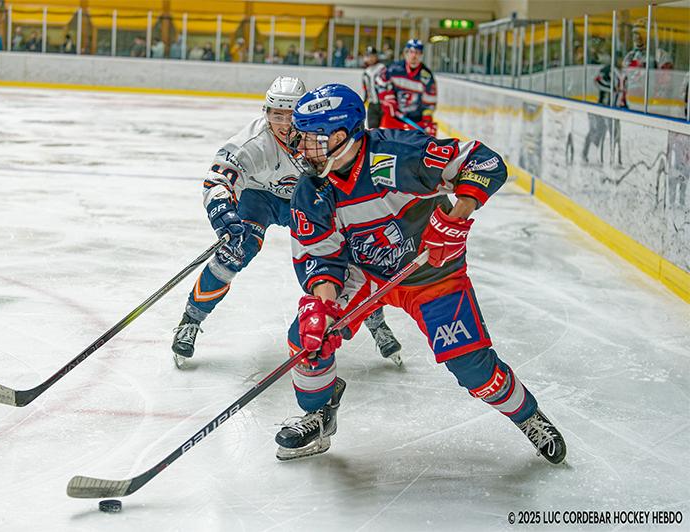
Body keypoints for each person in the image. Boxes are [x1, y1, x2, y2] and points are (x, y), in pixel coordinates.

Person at [273, 83, 567, 467]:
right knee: (308, 338)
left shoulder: (399, 154)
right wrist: (323, 307)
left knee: (472, 367)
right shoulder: (311, 191)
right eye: (300, 138)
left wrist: (456, 218)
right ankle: (318, 413)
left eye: (312, 139)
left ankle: (528, 416)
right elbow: (321, 257)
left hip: (432, 273)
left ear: (341, 137)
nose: (301, 149)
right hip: (367, 275)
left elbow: (483, 162)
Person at [171, 77, 402, 368]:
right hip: (260, 197)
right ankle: (191, 319)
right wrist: (222, 208)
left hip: (309, 198)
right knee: (234, 251)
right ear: (265, 113)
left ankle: (376, 322)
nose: (283, 124)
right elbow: (219, 177)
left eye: (290, 115)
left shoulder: (318, 136)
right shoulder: (254, 142)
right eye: (276, 115)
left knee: (349, 258)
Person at [378, 39, 438, 136]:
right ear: (405, 53)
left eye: (417, 53)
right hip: (392, 120)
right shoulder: (393, 69)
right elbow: (381, 83)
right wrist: (388, 100)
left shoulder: (426, 76)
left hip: (415, 122)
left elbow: (430, 102)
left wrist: (427, 121)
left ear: (422, 55)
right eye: (411, 52)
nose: (414, 56)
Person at [361, 46, 385, 128]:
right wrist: (363, 103)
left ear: (376, 56)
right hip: (372, 105)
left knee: (386, 130)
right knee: (372, 130)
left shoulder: (382, 68)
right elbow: (366, 90)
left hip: (383, 105)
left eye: (372, 56)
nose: (370, 58)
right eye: (368, 56)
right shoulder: (366, 72)